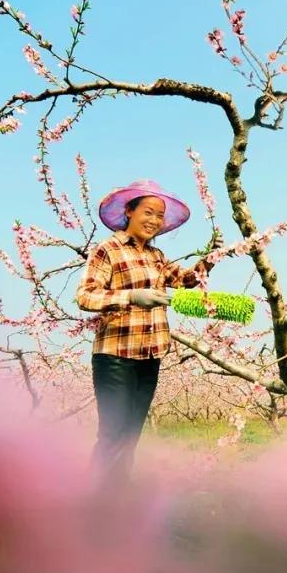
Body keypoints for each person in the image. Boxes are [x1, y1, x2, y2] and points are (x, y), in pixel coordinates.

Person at [76, 179, 217, 480]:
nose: (154, 220)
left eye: (159, 216)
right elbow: (86, 296)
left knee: (130, 436)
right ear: (129, 211)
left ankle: (117, 499)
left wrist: (209, 260)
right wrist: (130, 297)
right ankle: (94, 500)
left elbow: (186, 281)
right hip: (116, 357)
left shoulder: (157, 256)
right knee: (113, 435)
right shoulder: (108, 249)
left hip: (150, 355)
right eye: (148, 212)